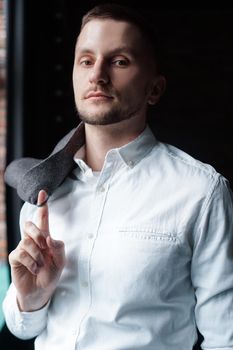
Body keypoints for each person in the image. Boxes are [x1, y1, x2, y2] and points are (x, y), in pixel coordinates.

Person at [2, 3, 233, 350]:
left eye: (120, 61)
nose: (97, 74)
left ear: (154, 89)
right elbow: (22, 329)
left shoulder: (201, 192)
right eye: (86, 60)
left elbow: (225, 336)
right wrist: (32, 297)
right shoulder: (44, 194)